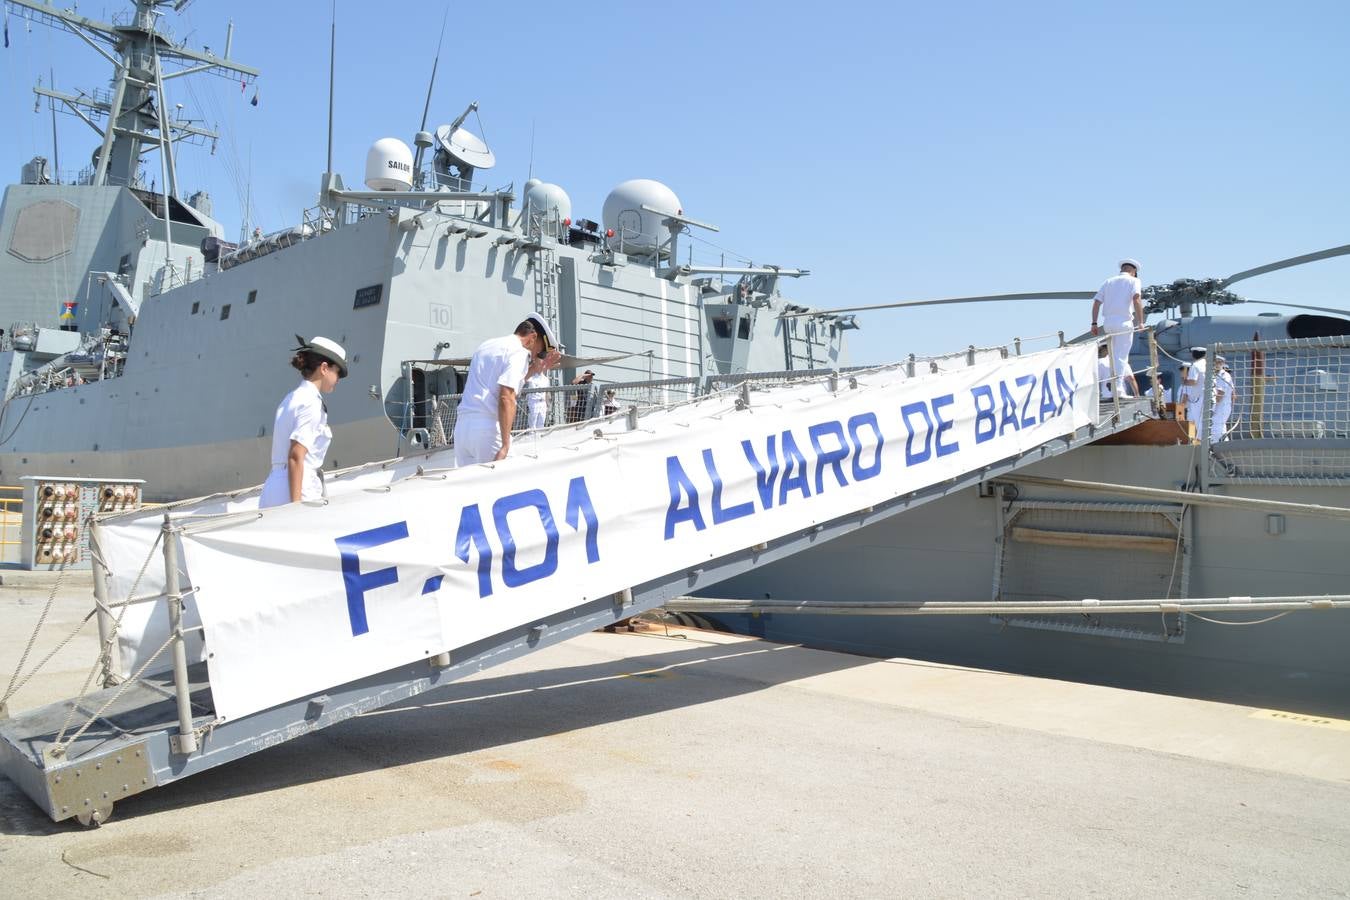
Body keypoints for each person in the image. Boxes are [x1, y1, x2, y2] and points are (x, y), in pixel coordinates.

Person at [453, 315, 563, 465]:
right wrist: (505, 445)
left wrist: (535, 369)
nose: (537, 355)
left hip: (463, 429)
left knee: (471, 486)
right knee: (509, 481)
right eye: (541, 351)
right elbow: (506, 396)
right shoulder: (519, 352)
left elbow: (498, 382)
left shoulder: (487, 345)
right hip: (488, 429)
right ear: (533, 337)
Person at [260, 335, 347, 508]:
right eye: (337, 372)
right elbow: (296, 456)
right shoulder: (311, 402)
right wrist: (297, 507)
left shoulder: (291, 398)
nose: (338, 379)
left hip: (273, 488)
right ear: (324, 368)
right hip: (298, 489)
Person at [1090, 258, 1145, 398]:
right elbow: (1136, 299)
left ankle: (1108, 390)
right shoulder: (1134, 281)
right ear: (1133, 271)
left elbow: (1096, 302)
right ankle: (1118, 388)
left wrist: (1094, 323)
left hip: (1108, 323)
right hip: (1124, 323)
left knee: (1112, 357)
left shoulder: (1108, 281)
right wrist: (1141, 322)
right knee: (1121, 357)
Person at [1180, 346, 1208, 438]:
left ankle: (1201, 446)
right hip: (1208, 397)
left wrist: (1184, 381)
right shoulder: (1208, 364)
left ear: (1194, 354)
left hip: (1199, 399)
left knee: (1199, 424)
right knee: (1206, 423)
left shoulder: (1196, 365)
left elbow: (1193, 381)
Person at [1211, 355, 1235, 440]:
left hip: (1221, 407)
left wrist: (1211, 408)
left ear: (1223, 364)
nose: (1216, 364)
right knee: (1220, 429)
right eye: (1215, 362)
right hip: (1217, 406)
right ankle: (1224, 447)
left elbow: (1220, 394)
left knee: (1215, 429)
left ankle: (1216, 447)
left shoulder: (1224, 375)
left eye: (1219, 362)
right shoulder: (1213, 375)